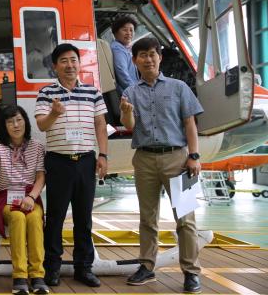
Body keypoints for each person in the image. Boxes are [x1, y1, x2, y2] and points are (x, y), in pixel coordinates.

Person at [120, 36, 203, 294]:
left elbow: (189, 123)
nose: (148, 59)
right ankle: (147, 267)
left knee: (185, 218)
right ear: (135, 60)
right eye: (142, 55)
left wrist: (194, 155)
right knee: (147, 218)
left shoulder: (179, 87)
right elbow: (129, 125)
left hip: (178, 158)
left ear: (160, 57)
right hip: (144, 159)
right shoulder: (130, 92)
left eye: (152, 54)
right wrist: (126, 111)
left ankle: (191, 272)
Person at [35, 43, 108, 288]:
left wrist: (103, 155)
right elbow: (42, 125)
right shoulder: (46, 92)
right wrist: (54, 113)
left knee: (83, 218)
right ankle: (52, 268)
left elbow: (100, 124)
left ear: (79, 63)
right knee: (55, 217)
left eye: (73, 60)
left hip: (86, 160)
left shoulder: (92, 92)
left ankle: (83, 268)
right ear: (55, 66)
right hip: (58, 161)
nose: (70, 65)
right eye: (64, 61)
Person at [0, 105, 49, 295]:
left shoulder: (37, 146)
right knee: (17, 217)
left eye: (19, 120)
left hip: (30, 196)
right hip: (6, 198)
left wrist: (31, 197)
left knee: (34, 217)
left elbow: (41, 177)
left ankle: (37, 275)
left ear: (25, 122)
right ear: (4, 126)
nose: (15, 125)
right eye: (10, 121)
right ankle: (20, 276)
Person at [110, 15, 139, 95]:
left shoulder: (124, 48)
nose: (129, 33)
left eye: (131, 30)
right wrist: (137, 92)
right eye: (125, 30)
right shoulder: (117, 49)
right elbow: (122, 74)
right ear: (115, 32)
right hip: (128, 94)